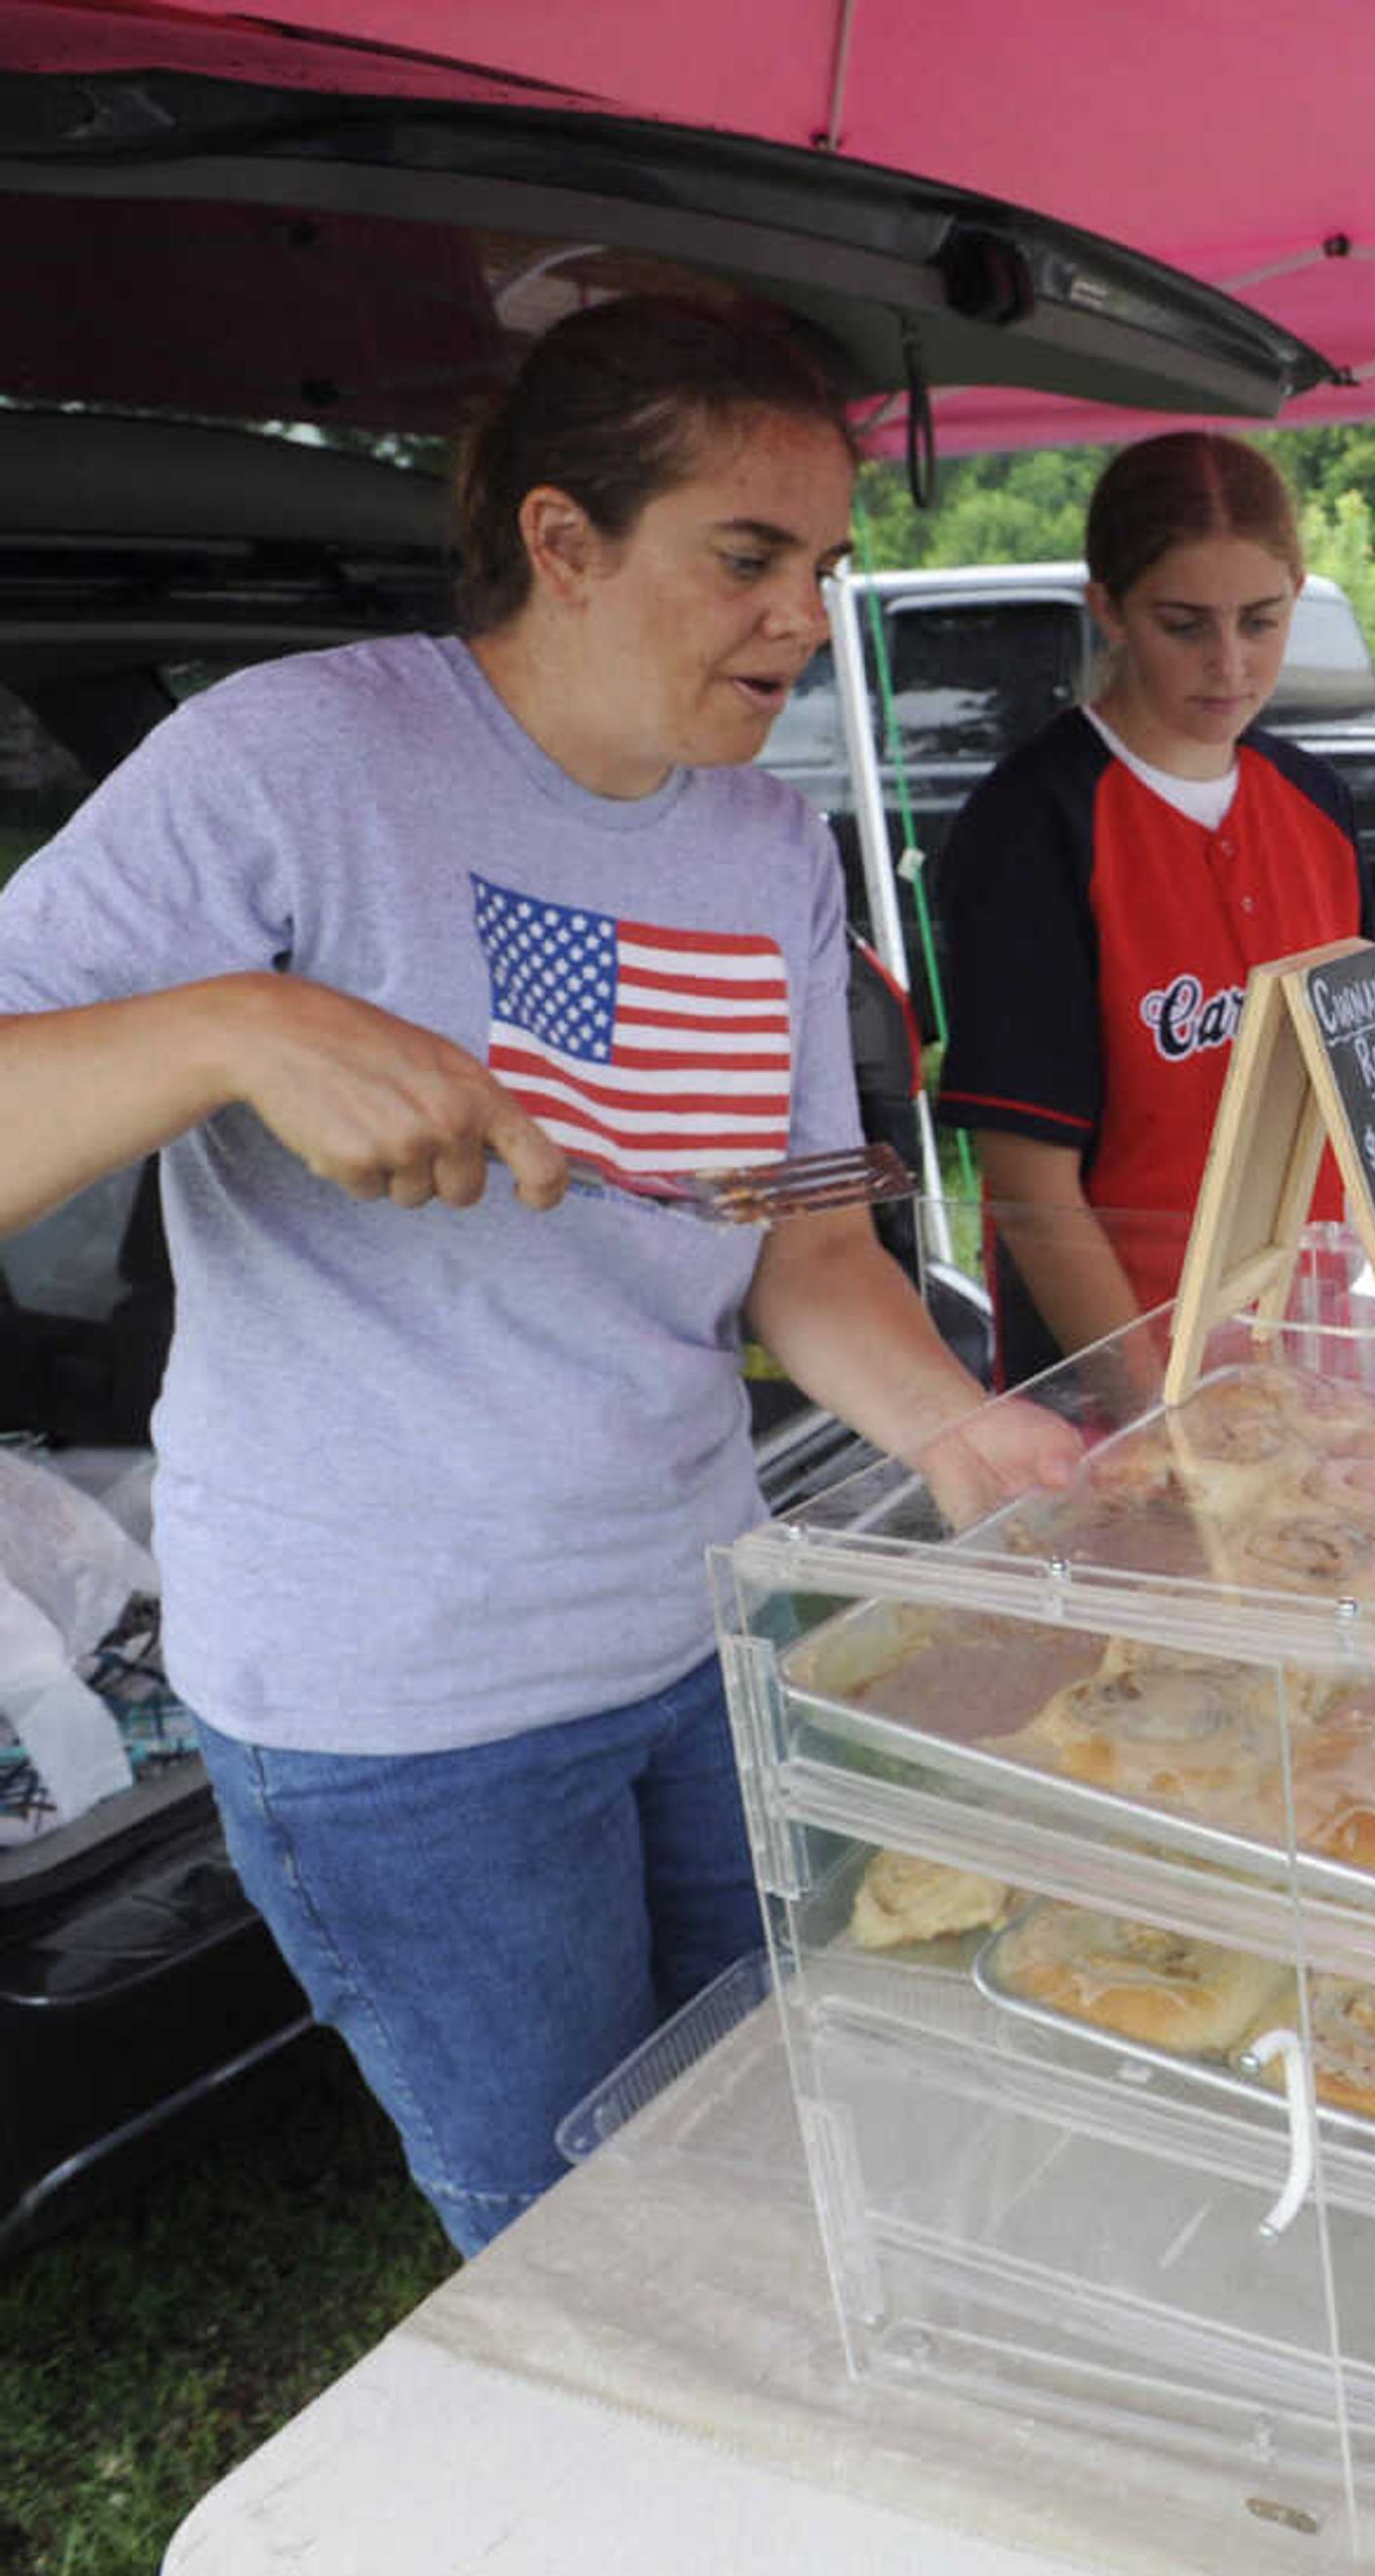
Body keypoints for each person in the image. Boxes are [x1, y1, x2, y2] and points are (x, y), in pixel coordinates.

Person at [0, 294, 1077, 2256]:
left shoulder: (766, 842)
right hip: (402, 1705)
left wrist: (970, 1432)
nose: (799, 622)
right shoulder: (290, 759)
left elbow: (808, 1243)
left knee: (774, 2115)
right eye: (745, 559)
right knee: (584, 2237)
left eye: (823, 568)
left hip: (695, 1622)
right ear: (564, 539)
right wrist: (230, 1027)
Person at [930, 432, 1374, 1378]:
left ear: (1297, 593)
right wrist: (1149, 1423)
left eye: (1260, 622)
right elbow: (1029, 1183)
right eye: (1184, 625)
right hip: (1122, 1367)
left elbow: (1364, 1087)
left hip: (1314, 1345)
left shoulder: (1316, 804)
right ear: (1112, 611)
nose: (1228, 664)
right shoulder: (1033, 825)